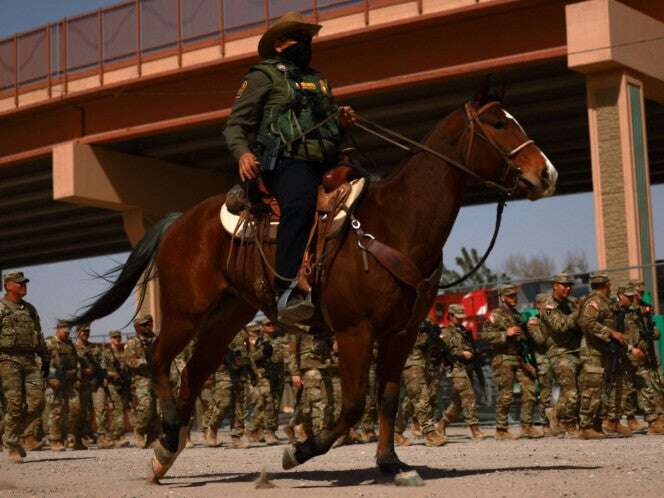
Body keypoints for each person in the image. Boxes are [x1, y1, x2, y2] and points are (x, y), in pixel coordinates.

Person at [223, 11, 355, 322]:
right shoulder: (263, 75)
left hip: (326, 159)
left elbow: (329, 125)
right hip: (285, 162)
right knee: (299, 205)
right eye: (300, 38)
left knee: (368, 190)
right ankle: (287, 290)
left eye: (308, 39)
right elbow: (234, 126)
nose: (306, 44)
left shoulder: (319, 80)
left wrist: (343, 122)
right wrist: (243, 154)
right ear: (280, 44)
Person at [577, 273, 642, 439]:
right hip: (593, 352)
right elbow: (586, 322)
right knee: (592, 389)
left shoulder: (607, 303)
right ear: (606, 284)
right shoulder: (594, 301)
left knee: (607, 388)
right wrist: (611, 333)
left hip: (606, 351)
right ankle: (586, 426)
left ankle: (603, 423)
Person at [0, 271, 49, 463]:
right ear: (8, 286)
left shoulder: (30, 309)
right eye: (19, 283)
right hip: (7, 360)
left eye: (25, 283)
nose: (23, 285)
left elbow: (39, 334)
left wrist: (45, 358)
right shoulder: (1, 308)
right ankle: (12, 444)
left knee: (38, 403)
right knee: (14, 404)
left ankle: (10, 434)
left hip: (30, 361)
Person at [481, 284, 541, 439]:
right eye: (510, 296)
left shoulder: (517, 315)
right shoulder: (496, 314)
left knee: (529, 389)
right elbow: (484, 336)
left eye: (515, 295)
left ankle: (527, 426)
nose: (514, 298)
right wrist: (504, 334)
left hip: (518, 358)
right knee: (506, 394)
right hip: (503, 358)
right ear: (502, 298)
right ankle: (501, 430)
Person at [538, 273, 581, 437]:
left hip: (576, 351)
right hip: (559, 354)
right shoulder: (548, 306)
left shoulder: (570, 303)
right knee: (571, 393)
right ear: (555, 285)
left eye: (570, 285)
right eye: (564, 285)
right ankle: (569, 425)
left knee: (575, 391)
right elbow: (560, 326)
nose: (568, 288)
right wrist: (579, 312)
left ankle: (555, 412)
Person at [394, 323, 446, 447]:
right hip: (411, 363)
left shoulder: (423, 320)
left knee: (411, 402)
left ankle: (396, 431)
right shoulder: (404, 319)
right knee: (421, 397)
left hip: (423, 364)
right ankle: (429, 433)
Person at [437, 304, 485, 440]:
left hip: (466, 367)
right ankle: (474, 429)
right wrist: (461, 353)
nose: (461, 320)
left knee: (458, 401)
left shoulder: (463, 331)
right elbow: (445, 351)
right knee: (468, 396)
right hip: (455, 368)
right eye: (458, 317)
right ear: (450, 316)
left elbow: (471, 347)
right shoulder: (445, 332)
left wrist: (473, 353)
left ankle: (442, 424)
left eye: (462, 317)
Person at [45, 321, 83, 451]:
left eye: (68, 332)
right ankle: (55, 440)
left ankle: (70, 438)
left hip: (69, 382)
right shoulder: (49, 343)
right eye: (64, 331)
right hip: (55, 382)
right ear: (57, 330)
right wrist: (50, 378)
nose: (66, 334)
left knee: (74, 409)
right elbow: (41, 361)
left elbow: (77, 363)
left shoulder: (70, 345)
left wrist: (78, 378)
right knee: (56, 411)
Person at [125, 314, 160, 448]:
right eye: (145, 324)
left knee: (157, 409)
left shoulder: (155, 340)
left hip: (156, 377)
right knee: (146, 405)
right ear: (137, 327)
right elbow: (128, 360)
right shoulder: (133, 342)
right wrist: (145, 362)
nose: (149, 326)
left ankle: (153, 437)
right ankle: (139, 431)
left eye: (150, 323)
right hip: (141, 378)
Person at [100, 330, 131, 448]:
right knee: (116, 410)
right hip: (113, 385)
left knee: (124, 409)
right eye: (114, 337)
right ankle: (117, 436)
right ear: (110, 339)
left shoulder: (124, 352)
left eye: (119, 337)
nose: (117, 339)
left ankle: (118, 435)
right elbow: (102, 369)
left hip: (124, 384)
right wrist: (112, 374)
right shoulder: (106, 353)